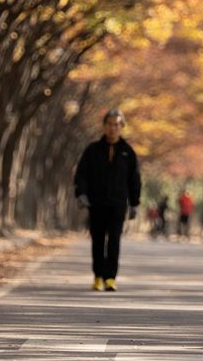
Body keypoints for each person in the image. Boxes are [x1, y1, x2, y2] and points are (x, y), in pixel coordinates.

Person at [73, 108, 141, 292]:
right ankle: (98, 276)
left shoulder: (128, 152)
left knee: (114, 241)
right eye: (110, 124)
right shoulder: (92, 150)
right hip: (96, 203)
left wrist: (135, 203)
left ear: (122, 127)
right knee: (97, 240)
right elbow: (81, 174)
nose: (113, 128)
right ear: (104, 126)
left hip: (118, 204)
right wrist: (81, 194)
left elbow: (134, 179)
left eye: (117, 124)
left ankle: (110, 278)